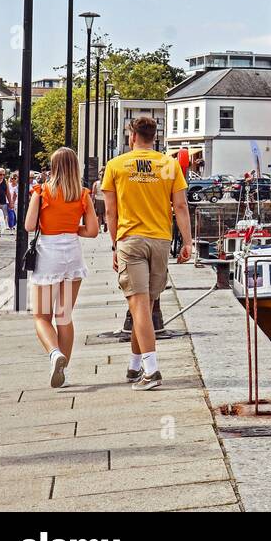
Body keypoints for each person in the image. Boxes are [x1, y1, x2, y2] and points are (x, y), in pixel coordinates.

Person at [101, 116, 193, 390]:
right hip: (160, 241)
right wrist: (188, 243)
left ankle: (151, 371)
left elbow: (110, 211)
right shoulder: (169, 164)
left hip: (131, 239)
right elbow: (181, 206)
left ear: (132, 136)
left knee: (139, 305)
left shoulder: (116, 166)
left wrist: (116, 244)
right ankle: (134, 365)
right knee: (146, 305)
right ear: (155, 137)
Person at [24, 147, 99, 388]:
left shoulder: (42, 192)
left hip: (49, 254)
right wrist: (71, 228)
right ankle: (63, 370)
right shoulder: (83, 194)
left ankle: (55, 353)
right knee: (64, 316)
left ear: (53, 167)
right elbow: (92, 231)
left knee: (41, 316)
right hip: (73, 254)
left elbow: (28, 225)